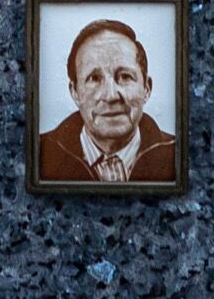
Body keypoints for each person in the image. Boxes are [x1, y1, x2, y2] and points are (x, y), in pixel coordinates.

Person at [34, 17, 177, 185]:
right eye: (94, 78)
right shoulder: (39, 154)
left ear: (146, 88)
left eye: (125, 76)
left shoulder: (178, 154)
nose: (110, 96)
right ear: (74, 92)